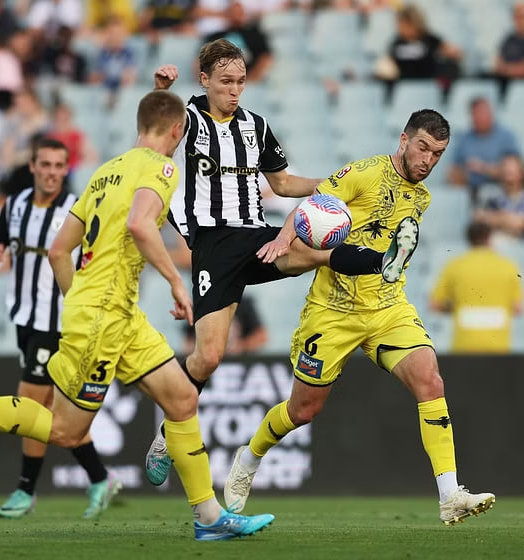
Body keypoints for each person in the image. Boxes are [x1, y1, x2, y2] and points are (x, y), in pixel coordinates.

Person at [0, 90, 276, 541]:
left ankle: (209, 518)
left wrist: (83, 302)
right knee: (64, 430)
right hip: (103, 316)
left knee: (181, 399)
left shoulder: (105, 172)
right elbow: (139, 223)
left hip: (117, 314)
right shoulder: (163, 168)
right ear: (177, 130)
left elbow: (59, 250)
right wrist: (175, 281)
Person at [145, 39, 415, 486]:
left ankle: (384, 260)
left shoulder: (256, 125)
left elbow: (284, 183)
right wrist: (159, 95)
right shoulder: (185, 119)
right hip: (213, 245)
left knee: (313, 250)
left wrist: (335, 186)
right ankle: (165, 434)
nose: (235, 91)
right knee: (208, 358)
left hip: (256, 234)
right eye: (226, 82)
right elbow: (151, 156)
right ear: (205, 78)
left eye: (241, 82)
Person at [223, 110, 496, 526]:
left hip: (387, 307)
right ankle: (250, 456)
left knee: (430, 380)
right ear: (404, 140)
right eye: (423, 148)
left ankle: (449, 494)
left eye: (437, 154)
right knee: (303, 411)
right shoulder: (364, 173)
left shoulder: (421, 198)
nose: (428, 160)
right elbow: (313, 207)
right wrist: (282, 238)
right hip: (332, 312)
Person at [0, 137, 117, 519]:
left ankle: (26, 490)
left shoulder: (77, 209)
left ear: (66, 170)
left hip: (57, 323)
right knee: (55, 413)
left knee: (28, 404)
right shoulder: (16, 205)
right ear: (34, 167)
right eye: (47, 165)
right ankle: (100, 477)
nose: (53, 172)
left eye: (60, 166)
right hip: (25, 318)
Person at [429, 222, 524, 353]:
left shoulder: (455, 266)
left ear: (469, 239)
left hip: (464, 346)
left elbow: (435, 304)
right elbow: (518, 308)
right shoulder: (508, 266)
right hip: (499, 347)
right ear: (490, 238)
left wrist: (458, 308)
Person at [447, 97, 520, 194]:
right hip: (470, 191)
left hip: (501, 191)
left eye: (484, 113)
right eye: (477, 114)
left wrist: (484, 168)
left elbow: (515, 172)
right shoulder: (464, 139)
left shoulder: (506, 136)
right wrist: (462, 174)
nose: (481, 117)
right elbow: (453, 171)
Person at [382, 5, 462, 82]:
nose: (400, 28)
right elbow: (389, 63)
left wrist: (452, 54)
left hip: (429, 83)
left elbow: (453, 53)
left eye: (404, 24)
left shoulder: (430, 39)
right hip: (404, 85)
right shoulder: (396, 42)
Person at [473, 154, 524, 245]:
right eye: (505, 172)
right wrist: (507, 219)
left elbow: (520, 224)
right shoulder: (489, 193)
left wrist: (492, 218)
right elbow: (477, 218)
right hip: (492, 245)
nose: (507, 177)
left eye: (511, 173)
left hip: (521, 246)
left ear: (521, 174)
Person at [204, 1, 272, 83]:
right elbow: (202, 60)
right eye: (232, 12)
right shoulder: (215, 36)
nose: (236, 16)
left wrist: (250, 80)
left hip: (249, 82)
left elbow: (265, 57)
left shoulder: (255, 35)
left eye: (239, 13)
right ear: (227, 15)